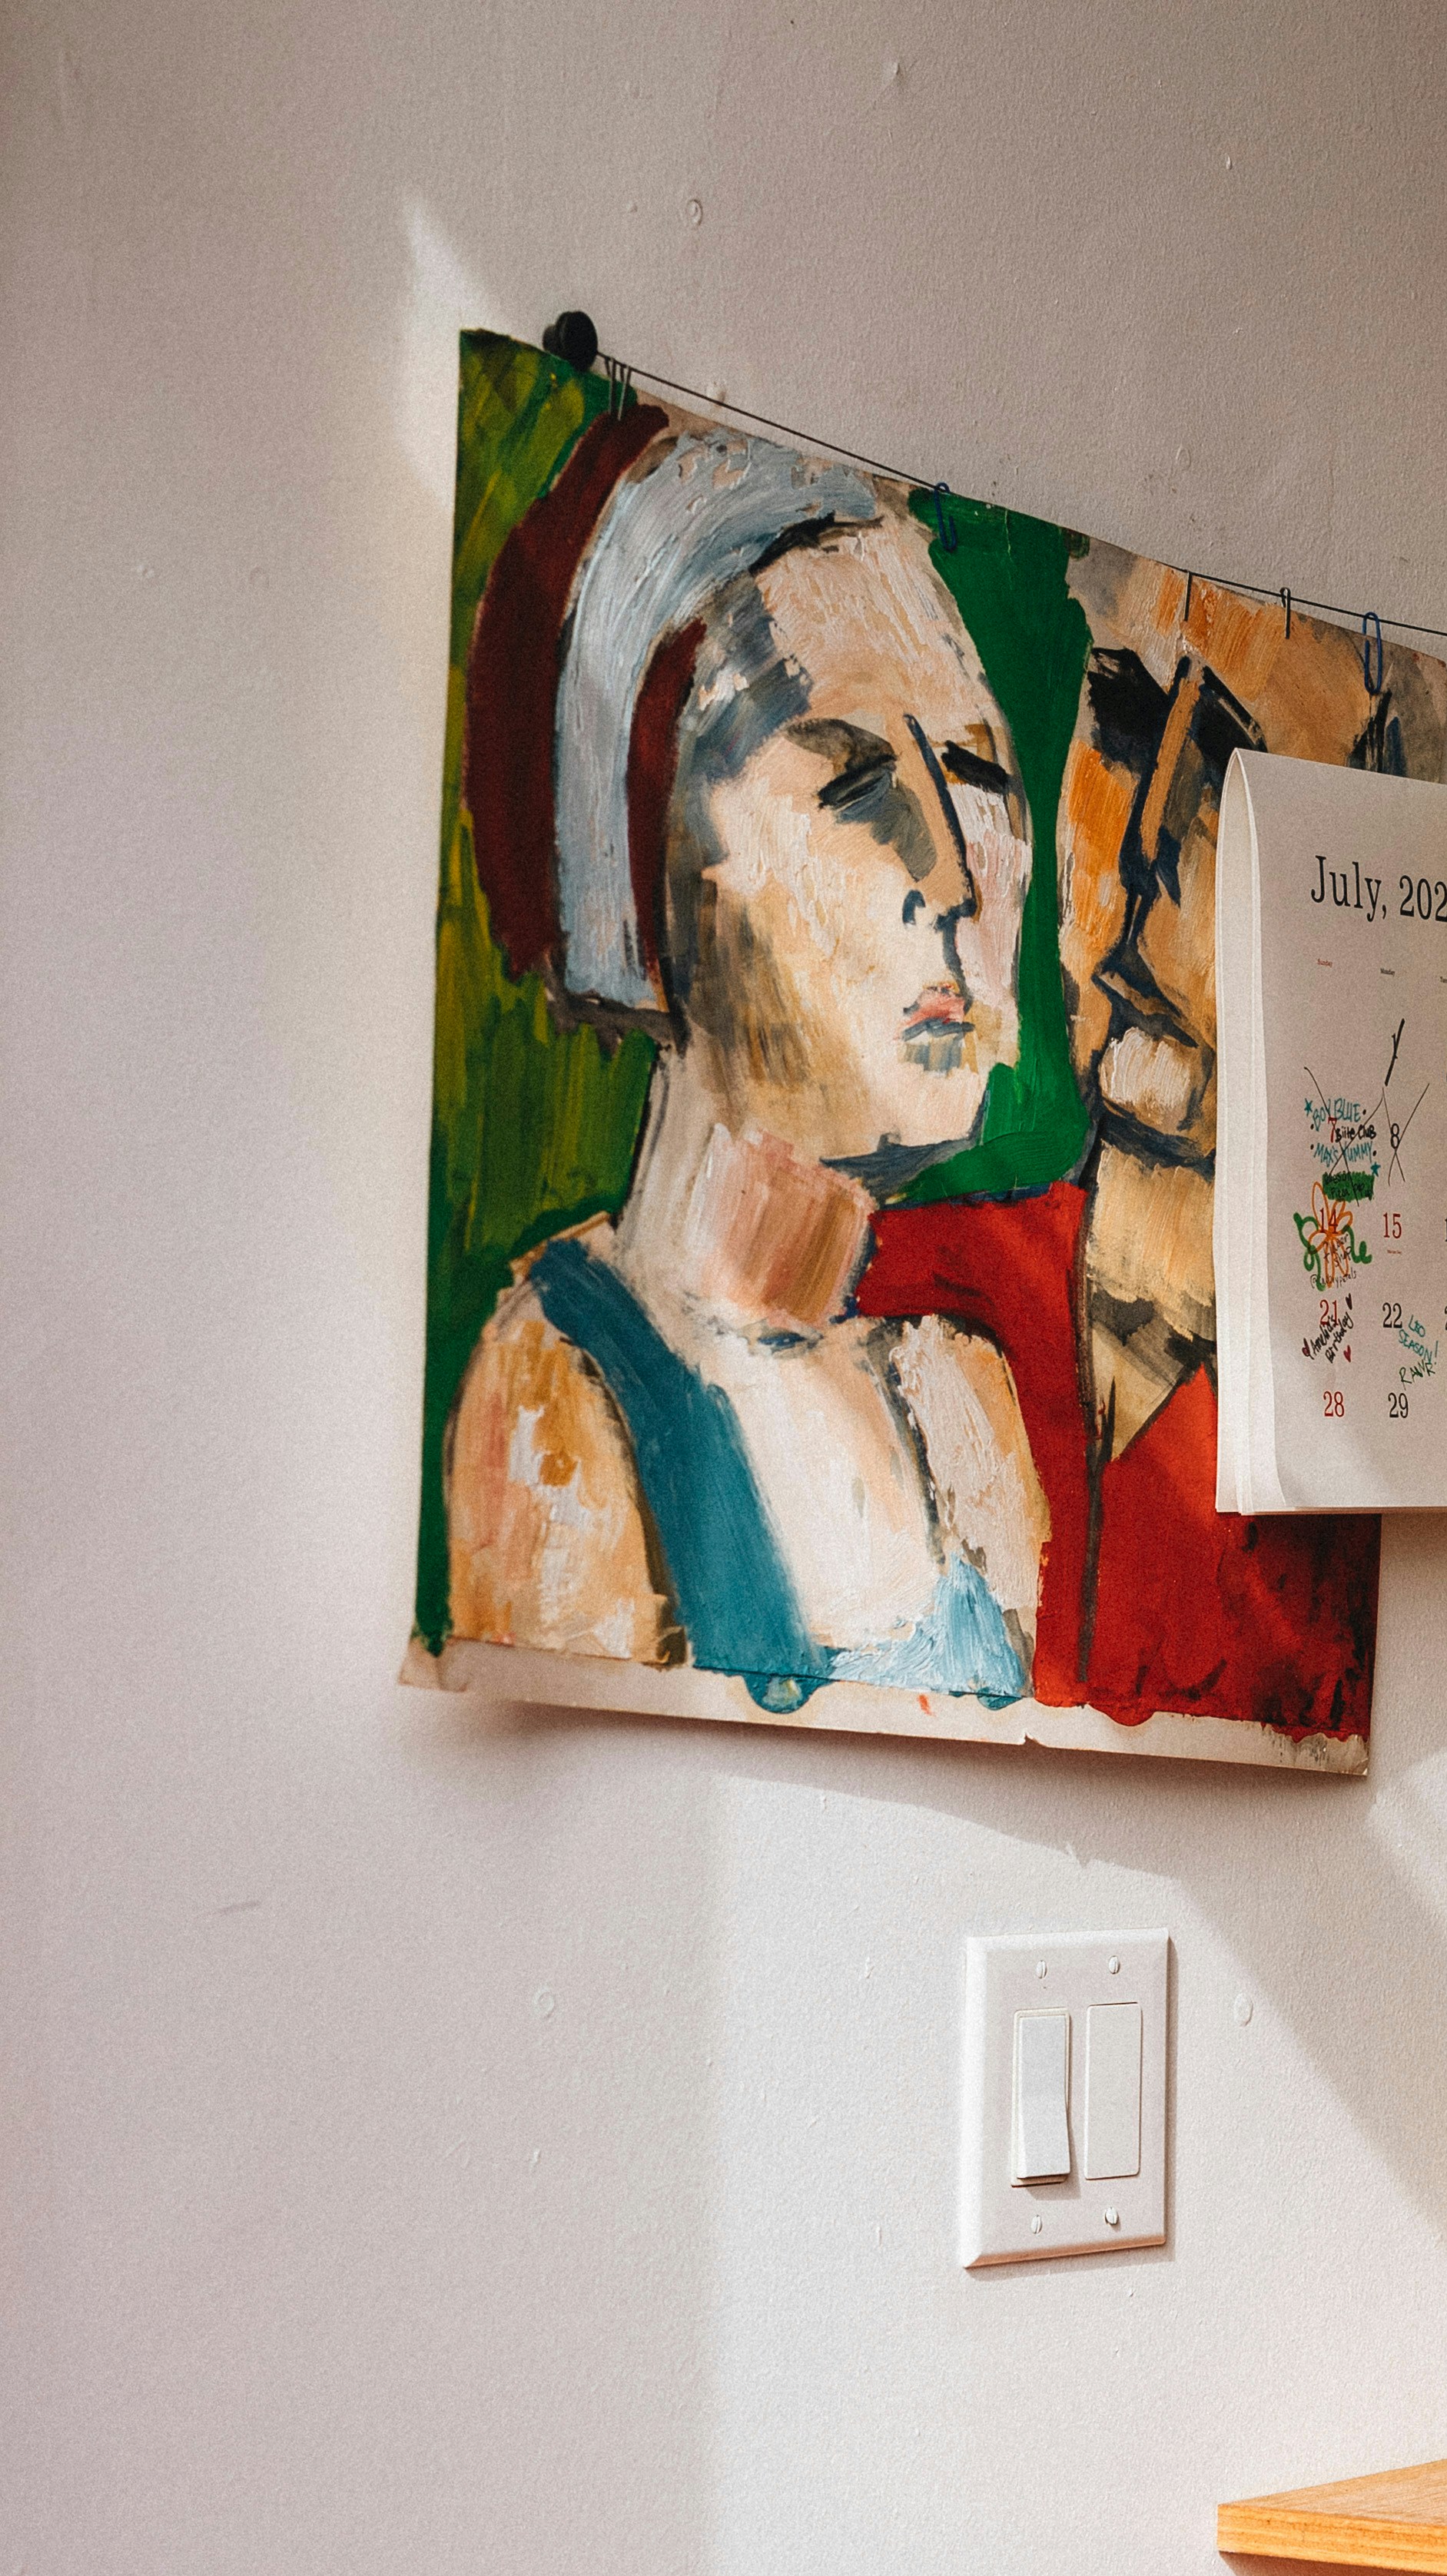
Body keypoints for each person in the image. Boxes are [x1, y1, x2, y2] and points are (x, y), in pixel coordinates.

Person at [446, 416, 1050, 1710]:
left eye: (982, 778)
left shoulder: (957, 1403)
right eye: (855, 789)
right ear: (651, 863)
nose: (952, 877)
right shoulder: (570, 1390)